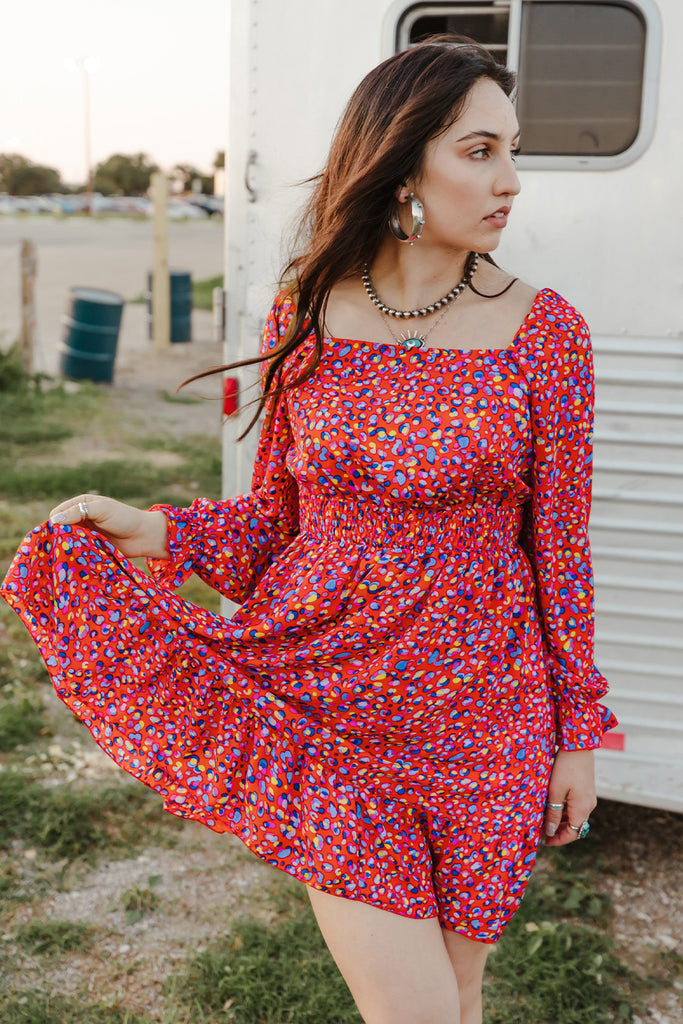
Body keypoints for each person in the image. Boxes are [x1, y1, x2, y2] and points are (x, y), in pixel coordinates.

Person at [1, 35, 617, 1024]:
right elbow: (281, 524)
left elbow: (560, 549)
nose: (511, 179)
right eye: (479, 151)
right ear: (401, 163)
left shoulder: (546, 332)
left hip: (488, 719)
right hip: (336, 715)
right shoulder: (308, 313)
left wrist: (574, 735)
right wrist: (157, 532)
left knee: (459, 993)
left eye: (512, 150)